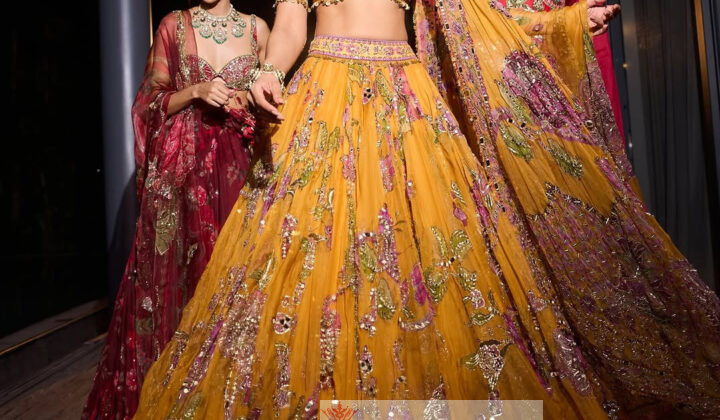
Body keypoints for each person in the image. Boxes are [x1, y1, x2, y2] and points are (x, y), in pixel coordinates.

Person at [133, 0, 720, 418]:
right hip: (324, 98)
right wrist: (268, 71)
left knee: (435, 268)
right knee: (311, 270)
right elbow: (290, 24)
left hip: (407, 100)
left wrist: (557, 22)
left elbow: (478, 15)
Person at [82, 1, 268, 418]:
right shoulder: (174, 26)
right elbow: (148, 102)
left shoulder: (258, 29)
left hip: (242, 175)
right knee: (190, 288)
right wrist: (196, 91)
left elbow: (274, 103)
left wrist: (249, 100)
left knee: (242, 284)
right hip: (186, 181)